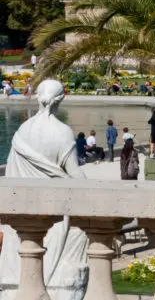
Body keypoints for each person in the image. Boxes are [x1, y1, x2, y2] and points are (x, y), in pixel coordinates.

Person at [0, 80, 89, 300]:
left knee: (23, 263)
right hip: (53, 214)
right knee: (58, 262)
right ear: (60, 100)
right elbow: (75, 176)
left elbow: (11, 173)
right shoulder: (63, 132)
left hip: (23, 212)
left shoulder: (22, 130)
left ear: (38, 98)